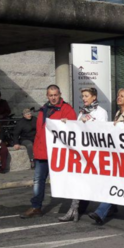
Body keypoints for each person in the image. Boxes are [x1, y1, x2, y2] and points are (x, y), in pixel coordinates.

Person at [20, 85, 76, 219]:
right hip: (42, 151)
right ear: (47, 96)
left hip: (59, 153)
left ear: (60, 94)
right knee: (38, 180)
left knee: (68, 180)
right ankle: (36, 207)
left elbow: (74, 129)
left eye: (55, 95)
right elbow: (40, 132)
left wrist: (67, 123)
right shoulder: (43, 109)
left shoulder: (67, 109)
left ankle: (76, 207)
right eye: (50, 95)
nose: (53, 97)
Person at [87, 88, 124, 225]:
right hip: (118, 156)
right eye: (118, 95)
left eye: (122, 96)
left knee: (122, 184)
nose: (118, 98)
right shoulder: (118, 113)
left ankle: (102, 212)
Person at [59, 87, 109, 222]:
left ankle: (109, 206)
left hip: (95, 153)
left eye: (87, 96)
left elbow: (103, 132)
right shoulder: (82, 112)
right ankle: (74, 209)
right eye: (83, 96)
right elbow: (77, 129)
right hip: (83, 153)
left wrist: (89, 126)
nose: (84, 98)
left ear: (94, 97)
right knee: (79, 181)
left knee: (100, 183)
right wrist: (67, 123)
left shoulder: (101, 113)